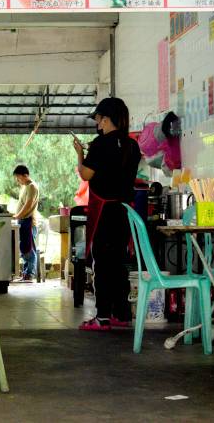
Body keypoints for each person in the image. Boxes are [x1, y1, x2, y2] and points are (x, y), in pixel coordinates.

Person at [74, 97, 142, 331]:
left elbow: (86, 175)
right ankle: (121, 314)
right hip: (124, 211)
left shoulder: (100, 144)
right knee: (119, 262)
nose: (97, 124)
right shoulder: (132, 146)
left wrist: (80, 154)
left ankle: (102, 317)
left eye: (98, 119)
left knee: (102, 263)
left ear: (106, 118)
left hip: (104, 211)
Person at [12, 165, 40, 282]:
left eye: (18, 178)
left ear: (25, 175)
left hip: (28, 221)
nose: (17, 180)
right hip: (23, 221)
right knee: (24, 248)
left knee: (29, 249)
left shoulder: (32, 186)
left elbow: (28, 204)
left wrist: (18, 215)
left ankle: (29, 275)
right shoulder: (25, 187)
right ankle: (25, 273)